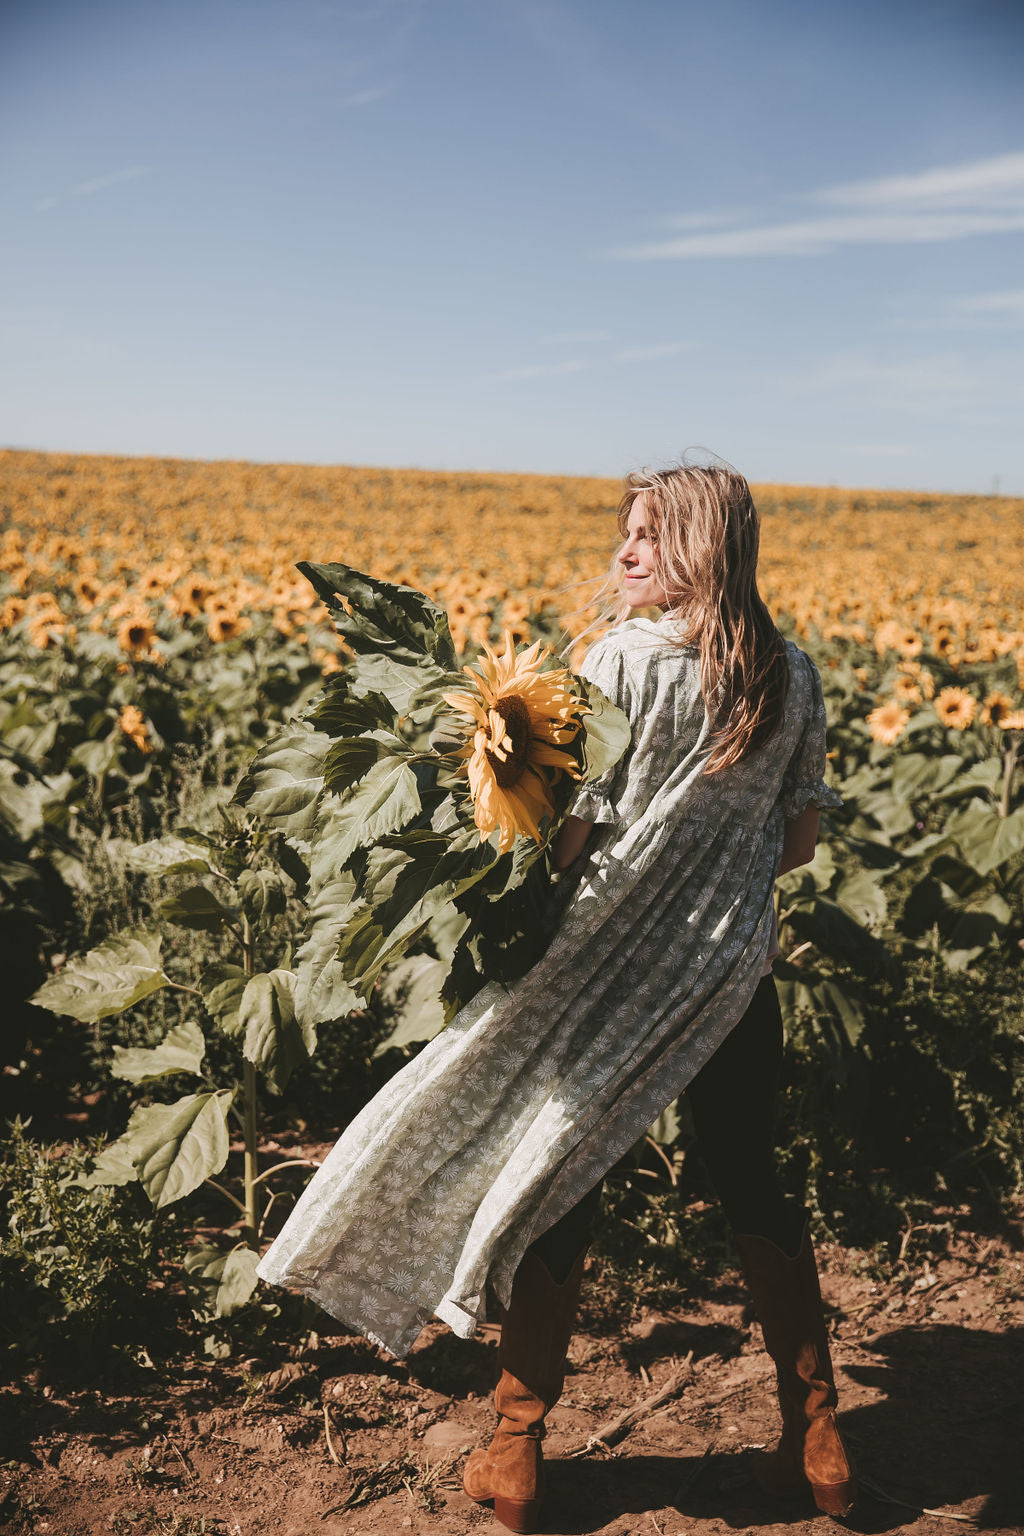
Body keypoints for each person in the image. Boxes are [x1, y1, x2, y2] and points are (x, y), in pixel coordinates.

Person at [255, 459, 857, 1533]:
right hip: (727, 978)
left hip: (600, 974)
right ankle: (818, 1434)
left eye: (646, 537)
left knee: (556, 1178)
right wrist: (708, 882)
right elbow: (798, 842)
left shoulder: (616, 662)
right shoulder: (792, 671)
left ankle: (516, 1450)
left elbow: (568, 836)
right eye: (623, 535)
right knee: (752, 1183)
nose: (623, 553)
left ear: (703, 550)